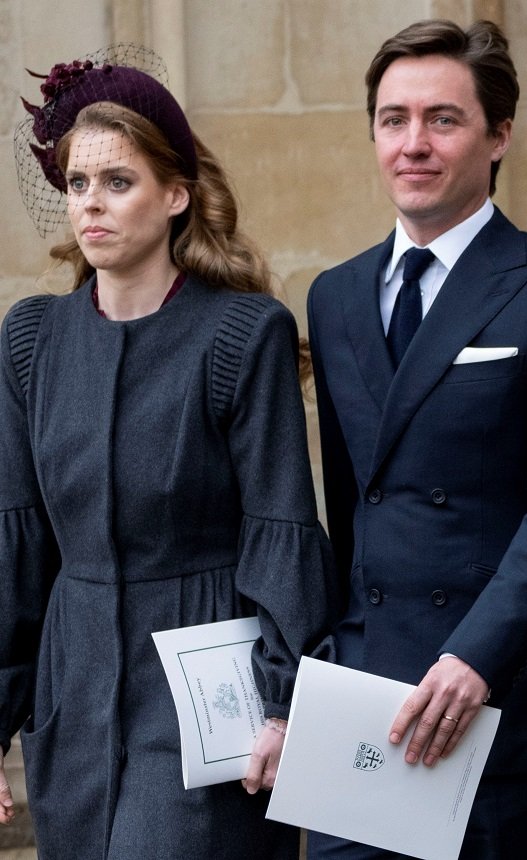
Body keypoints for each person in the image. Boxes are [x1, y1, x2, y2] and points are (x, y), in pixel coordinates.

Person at [0, 47, 336, 858]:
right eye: (78, 183)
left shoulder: (239, 335)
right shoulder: (31, 340)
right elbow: (17, 543)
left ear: (176, 194)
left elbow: (280, 520)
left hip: (206, 688)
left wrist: (287, 702)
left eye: (119, 182)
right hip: (73, 693)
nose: (92, 204)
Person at [305, 19, 527, 860]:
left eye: (442, 119)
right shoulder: (333, 298)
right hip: (367, 714)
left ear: (499, 135)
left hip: (504, 713)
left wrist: (474, 657)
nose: (413, 142)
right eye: (392, 119)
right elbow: (352, 510)